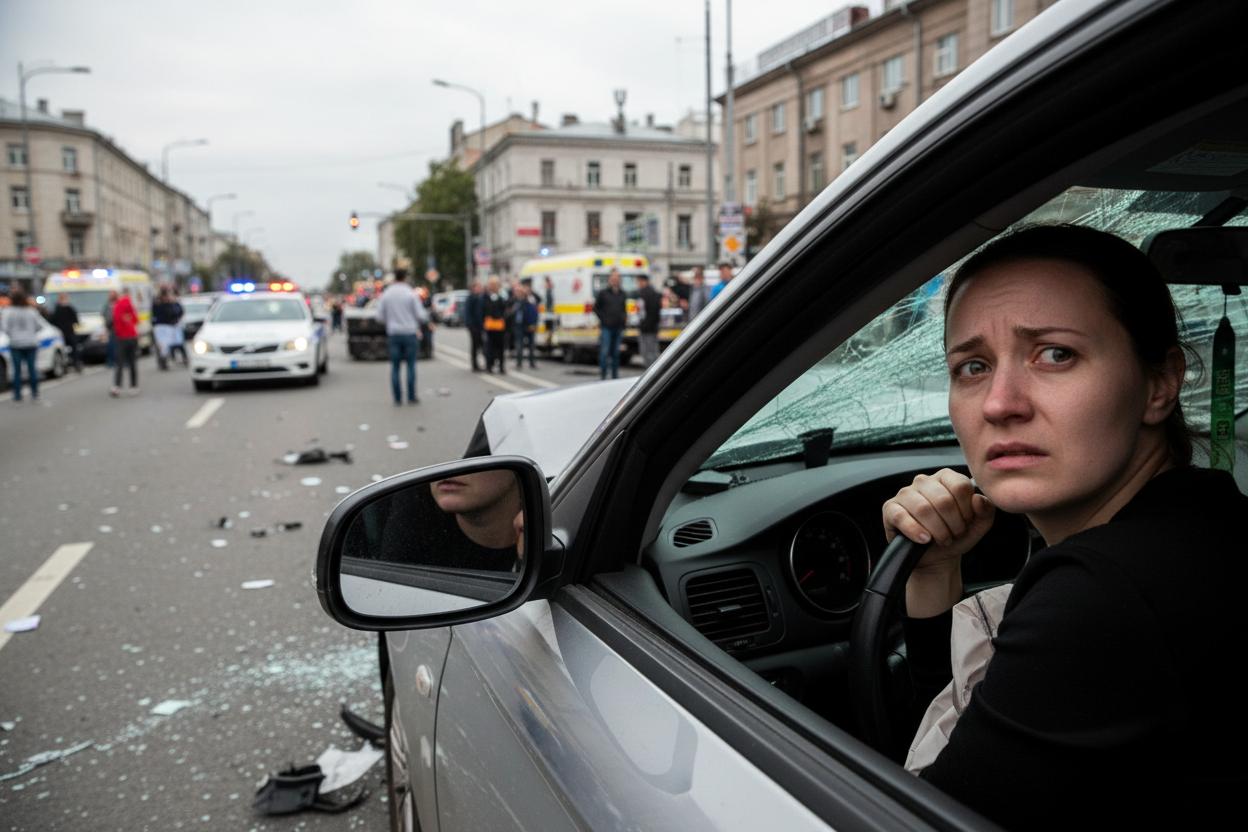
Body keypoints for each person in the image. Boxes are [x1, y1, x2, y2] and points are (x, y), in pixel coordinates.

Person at [879, 225, 1247, 830]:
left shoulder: (1103, 594)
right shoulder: (1205, 524)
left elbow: (923, 812)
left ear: (1160, 383)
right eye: (972, 366)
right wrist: (935, 571)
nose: (1000, 403)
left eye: (1056, 355)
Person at [375, 268, 427, 405]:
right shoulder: (411, 293)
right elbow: (421, 315)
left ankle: (397, 398)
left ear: (394, 277)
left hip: (394, 334)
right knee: (411, 365)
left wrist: (390, 321)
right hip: (410, 333)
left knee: (395, 367)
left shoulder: (386, 294)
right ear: (405, 277)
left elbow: (379, 317)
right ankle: (411, 396)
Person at [1, 287, 44, 402]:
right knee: (32, 369)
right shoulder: (31, 311)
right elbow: (39, 326)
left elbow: (4, 328)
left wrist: (13, 334)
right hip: (30, 343)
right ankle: (35, 393)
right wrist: (30, 332)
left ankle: (17, 395)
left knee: (17, 371)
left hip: (15, 344)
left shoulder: (8, 312)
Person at [594, 268, 626, 380]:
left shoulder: (622, 293)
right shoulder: (603, 293)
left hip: (618, 328)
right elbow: (596, 308)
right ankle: (603, 376)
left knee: (616, 354)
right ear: (609, 279)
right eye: (613, 278)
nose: (615, 280)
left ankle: (614, 377)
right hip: (606, 328)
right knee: (605, 352)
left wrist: (623, 322)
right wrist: (603, 319)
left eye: (617, 278)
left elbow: (624, 310)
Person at [110, 289, 140, 397]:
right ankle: (133, 386)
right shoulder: (130, 305)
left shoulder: (117, 306)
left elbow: (115, 321)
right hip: (132, 336)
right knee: (132, 362)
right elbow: (136, 320)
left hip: (121, 338)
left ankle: (117, 386)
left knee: (119, 363)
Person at [152, 286, 185, 370]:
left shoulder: (169, 303)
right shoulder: (159, 303)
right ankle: (163, 361)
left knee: (169, 344)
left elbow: (178, 312)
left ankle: (165, 360)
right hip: (162, 326)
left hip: (168, 326)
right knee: (163, 345)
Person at [481, 277, 509, 375]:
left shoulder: (502, 298)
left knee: (501, 348)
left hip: (500, 327)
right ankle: (489, 366)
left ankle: (501, 366)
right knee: (489, 348)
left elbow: (505, 310)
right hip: (490, 327)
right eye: (492, 285)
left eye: (496, 285)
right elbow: (483, 311)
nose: (494, 287)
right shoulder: (485, 298)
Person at [49, 293, 81, 372]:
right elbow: (75, 320)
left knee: (72, 349)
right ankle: (71, 365)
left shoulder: (61, 308)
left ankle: (73, 364)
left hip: (65, 332)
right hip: (65, 332)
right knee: (69, 349)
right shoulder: (64, 308)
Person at [635, 273, 662, 367]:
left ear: (643, 281)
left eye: (638, 282)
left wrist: (644, 325)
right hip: (649, 327)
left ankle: (653, 372)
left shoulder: (647, 293)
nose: (638, 284)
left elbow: (651, 312)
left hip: (647, 328)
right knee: (651, 352)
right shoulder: (649, 292)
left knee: (648, 353)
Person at [511, 285, 539, 370]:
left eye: (520, 292)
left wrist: (533, 324)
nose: (518, 294)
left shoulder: (529, 301)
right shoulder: (515, 302)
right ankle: (519, 363)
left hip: (528, 325)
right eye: (517, 292)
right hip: (519, 326)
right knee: (519, 345)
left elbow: (534, 312)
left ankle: (532, 363)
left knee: (531, 346)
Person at [464, 281, 486, 371]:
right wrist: (470, 325)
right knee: (475, 345)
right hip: (474, 326)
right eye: (478, 287)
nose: (479, 289)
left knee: (480, 344)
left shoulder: (480, 297)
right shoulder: (471, 298)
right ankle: (474, 365)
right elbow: (468, 313)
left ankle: (483, 362)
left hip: (479, 325)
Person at [102, 290, 119, 369]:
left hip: (119, 327)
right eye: (110, 295)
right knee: (111, 345)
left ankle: (122, 361)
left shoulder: (118, 303)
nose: (111, 296)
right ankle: (111, 361)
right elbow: (104, 314)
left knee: (120, 346)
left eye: (112, 295)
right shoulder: (107, 305)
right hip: (111, 327)